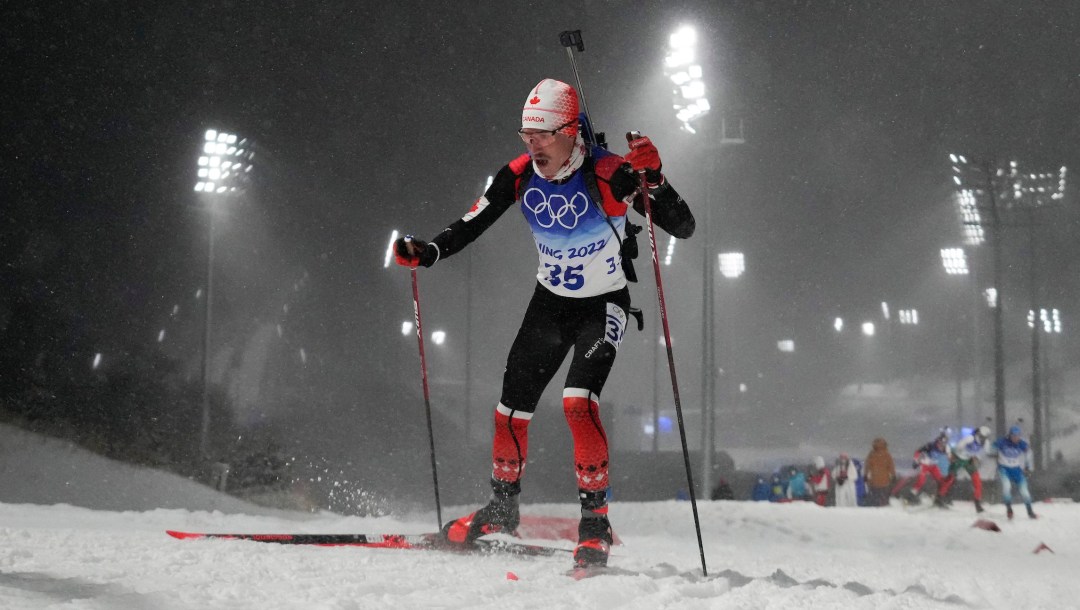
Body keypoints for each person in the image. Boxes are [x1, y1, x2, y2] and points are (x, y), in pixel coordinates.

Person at [393, 79, 696, 568]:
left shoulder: (608, 173)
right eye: (525, 133)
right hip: (550, 304)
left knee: (577, 402)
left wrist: (655, 178)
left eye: (543, 134)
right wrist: (427, 252)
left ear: (571, 131)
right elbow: (472, 222)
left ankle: (594, 524)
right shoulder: (517, 176)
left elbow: (682, 226)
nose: (532, 144)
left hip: (603, 305)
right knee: (509, 410)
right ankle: (501, 507)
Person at [987, 425, 1037, 519]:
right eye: (1013, 436)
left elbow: (1029, 453)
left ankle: (1030, 511)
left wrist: (1027, 467)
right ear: (1009, 435)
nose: (1015, 438)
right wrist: (994, 451)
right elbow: (991, 448)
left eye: (1017, 436)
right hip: (1004, 469)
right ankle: (1009, 509)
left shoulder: (1021, 443)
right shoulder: (1003, 441)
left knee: (1025, 491)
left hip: (1016, 469)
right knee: (1006, 487)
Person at [940, 426, 990, 513]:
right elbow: (959, 446)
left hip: (968, 460)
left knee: (977, 480)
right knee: (950, 478)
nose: (982, 439)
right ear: (978, 434)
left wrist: (977, 457)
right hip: (958, 458)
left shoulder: (986, 443)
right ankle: (940, 497)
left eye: (984, 438)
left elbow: (985, 453)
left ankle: (977, 503)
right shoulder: (970, 438)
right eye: (981, 437)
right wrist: (953, 455)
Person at [906, 432, 953, 508]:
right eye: (940, 444)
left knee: (941, 481)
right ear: (938, 441)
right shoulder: (930, 445)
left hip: (933, 465)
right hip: (924, 464)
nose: (941, 446)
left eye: (943, 445)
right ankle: (911, 497)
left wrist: (951, 465)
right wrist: (916, 461)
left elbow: (950, 457)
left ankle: (939, 499)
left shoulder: (946, 448)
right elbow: (918, 452)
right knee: (921, 481)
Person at [863, 437, 896, 507]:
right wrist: (893, 476)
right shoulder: (887, 454)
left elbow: (867, 466)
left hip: (874, 479)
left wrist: (865, 475)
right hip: (885, 480)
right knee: (884, 495)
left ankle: (874, 506)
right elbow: (891, 466)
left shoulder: (871, 454)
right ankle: (884, 505)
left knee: (874, 495)